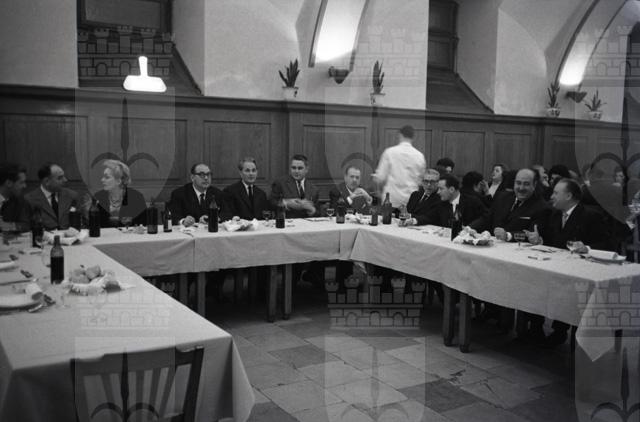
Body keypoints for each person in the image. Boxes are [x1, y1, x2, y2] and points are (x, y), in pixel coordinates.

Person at [524, 178, 612, 346]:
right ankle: (535, 327)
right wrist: (539, 240)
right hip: (556, 266)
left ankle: (560, 331)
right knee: (532, 280)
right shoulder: (555, 214)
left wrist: (587, 247)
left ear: (569, 196)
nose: (552, 196)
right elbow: (552, 240)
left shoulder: (591, 216)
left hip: (581, 270)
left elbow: (607, 244)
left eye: (556, 193)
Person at [470, 168, 551, 241]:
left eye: (526, 184)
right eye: (518, 183)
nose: (521, 188)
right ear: (514, 183)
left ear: (534, 185)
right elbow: (487, 218)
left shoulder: (541, 207)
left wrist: (508, 235)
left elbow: (530, 235)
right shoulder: (502, 197)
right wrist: (470, 228)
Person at [372, 125, 426, 210]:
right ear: (413, 137)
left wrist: (375, 178)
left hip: (392, 198)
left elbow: (380, 177)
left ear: (400, 135)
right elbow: (421, 181)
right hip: (411, 199)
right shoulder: (420, 156)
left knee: (388, 218)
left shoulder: (389, 152)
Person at [405, 174, 487, 226]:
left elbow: (485, 217)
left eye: (441, 189)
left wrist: (470, 227)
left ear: (451, 189)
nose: (438, 192)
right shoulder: (441, 204)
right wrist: (413, 220)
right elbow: (429, 217)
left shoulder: (472, 201)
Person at [91, 160, 147, 227]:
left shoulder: (136, 197)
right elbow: (92, 224)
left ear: (118, 181)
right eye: (103, 177)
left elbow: (143, 225)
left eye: (107, 177)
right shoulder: (98, 197)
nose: (102, 180)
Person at [25, 163, 79, 230]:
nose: (65, 180)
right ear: (47, 181)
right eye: (60, 178)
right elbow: (26, 228)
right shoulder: (29, 200)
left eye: (64, 176)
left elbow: (80, 223)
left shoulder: (71, 195)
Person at [0, 162, 30, 232]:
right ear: (8, 183)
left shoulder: (20, 201)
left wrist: (7, 225)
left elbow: (26, 225)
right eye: (21, 182)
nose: (25, 186)